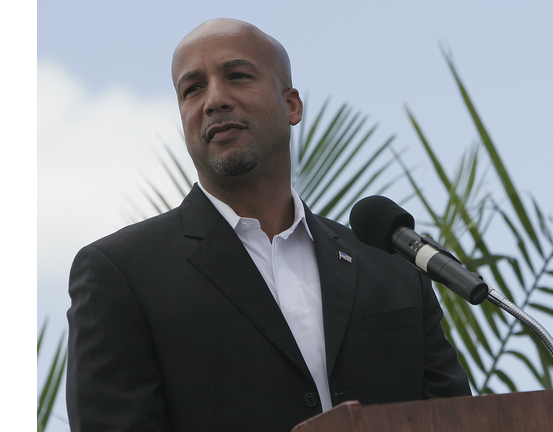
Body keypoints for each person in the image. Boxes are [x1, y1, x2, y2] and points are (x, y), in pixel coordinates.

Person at [66, 18, 471, 432]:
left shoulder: (392, 268)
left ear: (292, 105)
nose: (215, 99)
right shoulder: (121, 274)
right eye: (193, 89)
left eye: (237, 76)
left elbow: (457, 420)